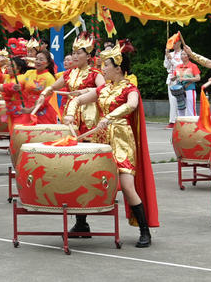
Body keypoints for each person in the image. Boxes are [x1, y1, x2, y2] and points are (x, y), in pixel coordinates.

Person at [64, 42, 159, 247]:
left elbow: (131, 105)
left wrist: (112, 116)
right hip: (100, 139)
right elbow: (78, 99)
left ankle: (145, 231)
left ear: (118, 67)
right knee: (87, 179)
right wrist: (70, 114)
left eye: (106, 65)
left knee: (126, 186)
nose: (103, 68)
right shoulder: (103, 89)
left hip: (121, 140)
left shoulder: (130, 89)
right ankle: (82, 225)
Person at [37, 33, 106, 135]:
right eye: (73, 53)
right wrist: (43, 94)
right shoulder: (69, 73)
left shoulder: (94, 74)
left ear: (88, 56)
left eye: (78, 53)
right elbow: (53, 87)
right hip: (70, 113)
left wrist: (85, 91)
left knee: (87, 144)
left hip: (88, 114)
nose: (75, 56)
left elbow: (104, 90)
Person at [173, 51, 200, 116]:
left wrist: (186, 79)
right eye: (181, 54)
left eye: (184, 54)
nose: (182, 55)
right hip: (179, 90)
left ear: (188, 56)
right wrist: (173, 78)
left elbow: (198, 78)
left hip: (189, 88)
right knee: (180, 108)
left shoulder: (193, 66)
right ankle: (181, 124)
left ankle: (193, 124)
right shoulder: (178, 66)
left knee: (191, 108)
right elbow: (175, 77)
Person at [164, 39, 183, 128]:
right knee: (172, 100)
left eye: (175, 43)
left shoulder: (183, 53)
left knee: (180, 100)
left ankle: (181, 120)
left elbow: (180, 65)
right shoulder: (170, 54)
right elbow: (166, 66)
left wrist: (171, 59)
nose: (173, 45)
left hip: (180, 78)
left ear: (179, 43)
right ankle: (172, 121)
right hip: (171, 78)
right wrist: (166, 56)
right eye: (172, 43)